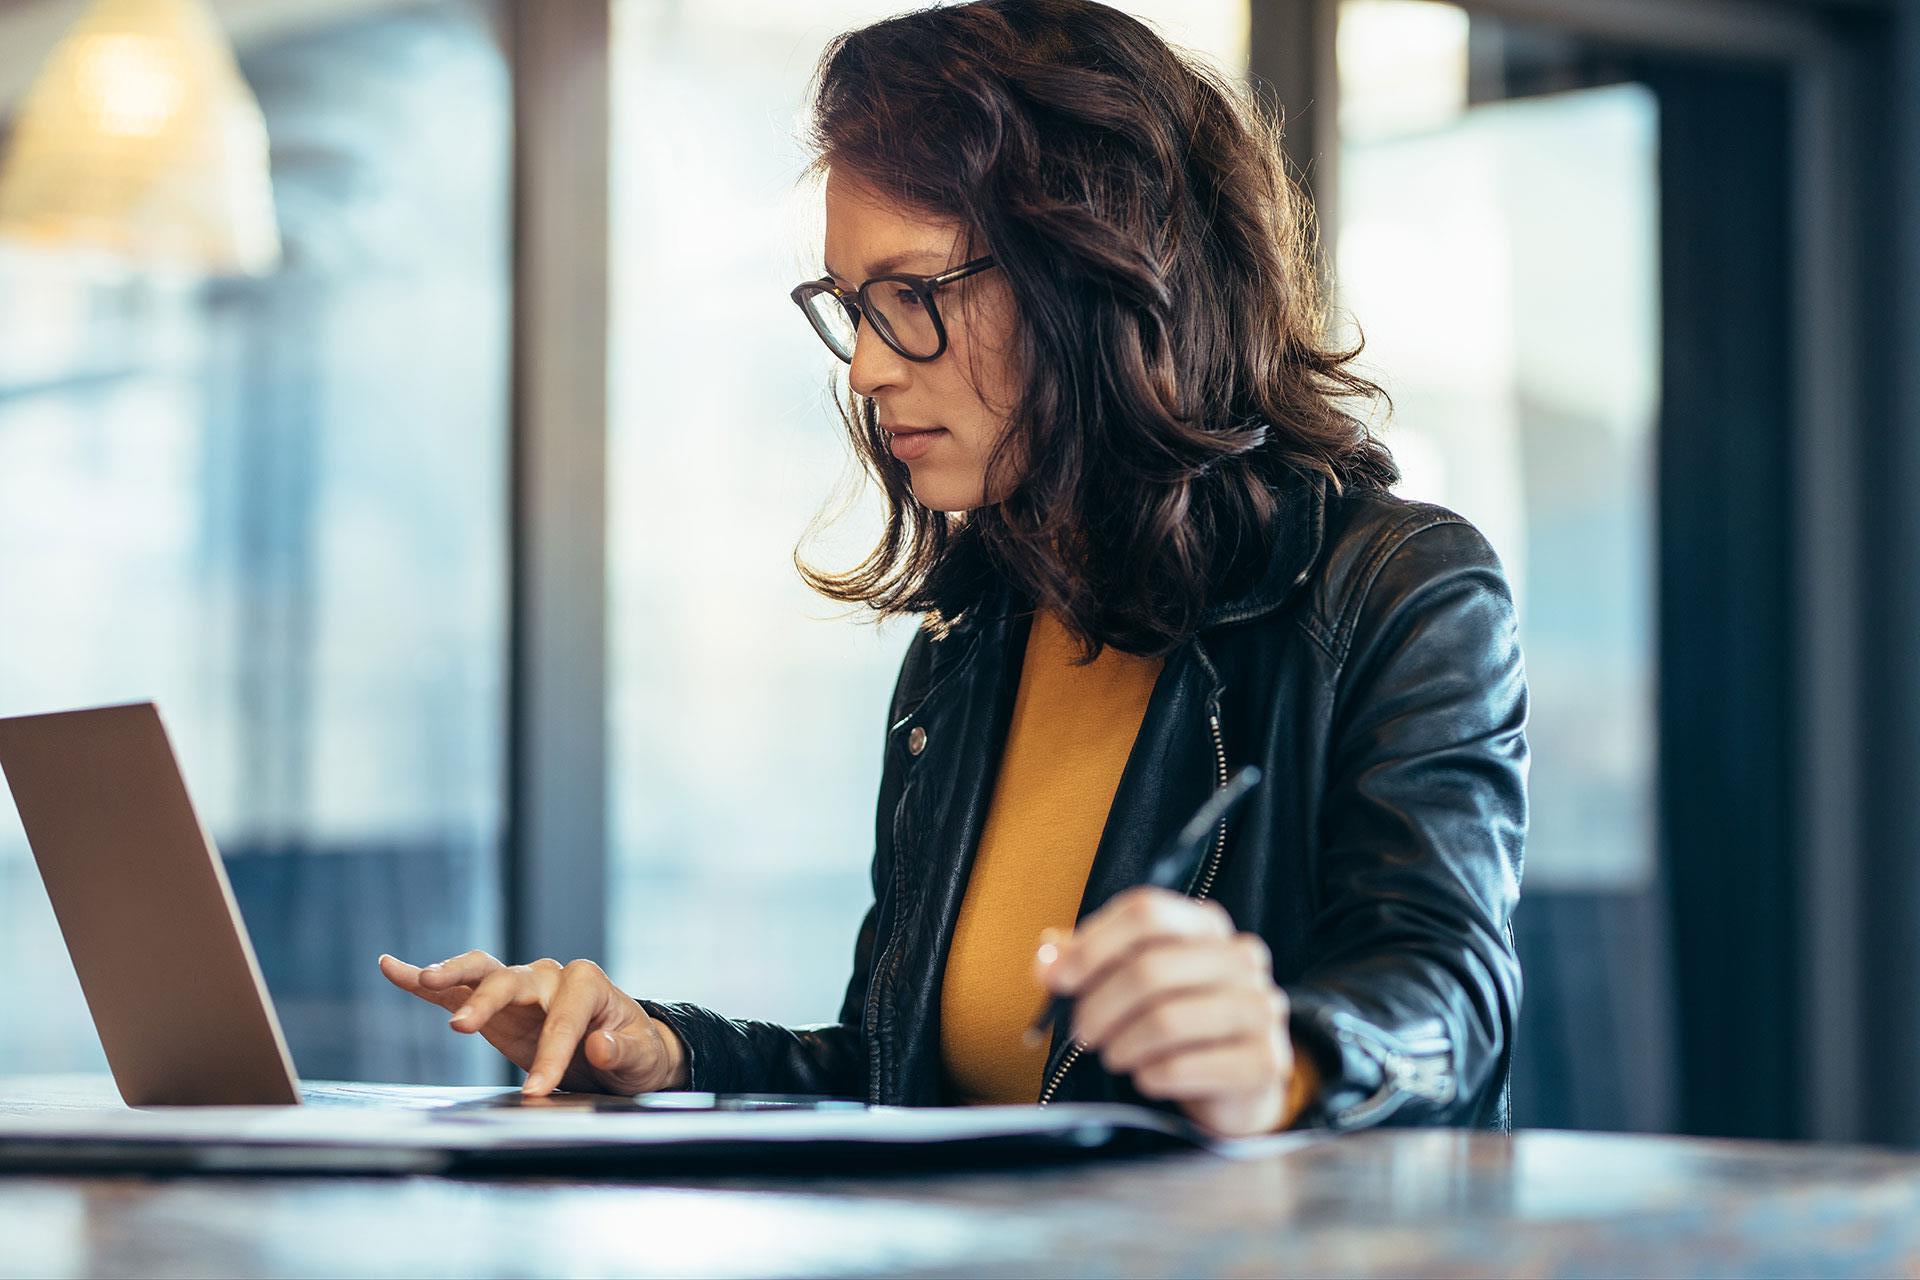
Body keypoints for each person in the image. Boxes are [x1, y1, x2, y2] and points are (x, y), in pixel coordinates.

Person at [379, 0, 1527, 1138]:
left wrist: (1280, 1061)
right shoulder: (973, 636)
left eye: (914, 297)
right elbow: (901, 1073)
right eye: (854, 308)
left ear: (1096, 271)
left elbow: (1451, 1003)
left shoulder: (1399, 590)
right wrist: (660, 1049)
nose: (869, 366)